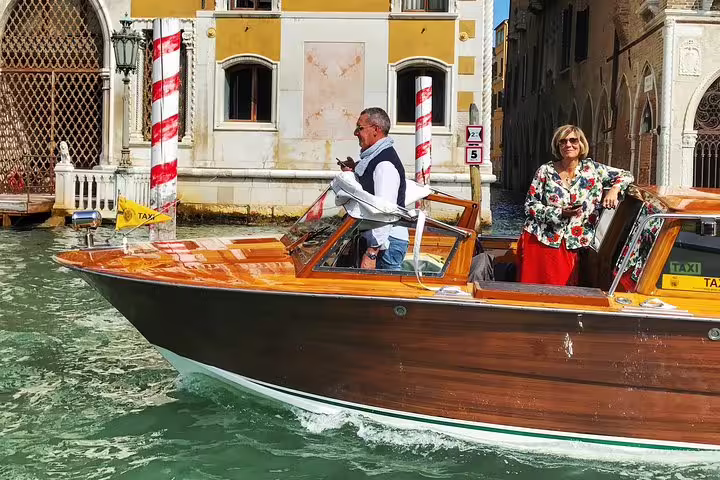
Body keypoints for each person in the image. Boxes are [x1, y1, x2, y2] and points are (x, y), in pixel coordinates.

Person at [518, 125, 634, 286]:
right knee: (541, 291)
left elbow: (626, 175)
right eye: (563, 142)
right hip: (543, 239)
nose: (568, 145)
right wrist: (560, 213)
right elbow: (530, 206)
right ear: (557, 146)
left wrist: (614, 190)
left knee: (567, 291)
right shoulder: (545, 171)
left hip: (578, 241)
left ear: (581, 144)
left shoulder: (593, 169)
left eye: (573, 140)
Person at [338, 107, 409, 270]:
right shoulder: (374, 158)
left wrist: (372, 252)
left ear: (376, 130)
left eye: (359, 128)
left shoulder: (384, 164)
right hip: (378, 241)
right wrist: (354, 171)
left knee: (383, 293)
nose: (356, 133)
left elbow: (385, 211)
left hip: (386, 244)